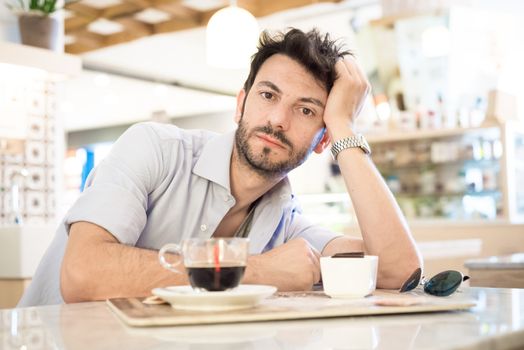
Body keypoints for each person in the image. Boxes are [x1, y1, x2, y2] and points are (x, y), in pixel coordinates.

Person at [19, 28, 422, 307]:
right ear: (240, 104)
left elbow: (397, 272)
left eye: (305, 110)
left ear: (321, 140)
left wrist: (345, 129)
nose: (278, 119)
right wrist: (260, 270)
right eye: (268, 95)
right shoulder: (155, 149)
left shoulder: (288, 223)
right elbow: (84, 274)